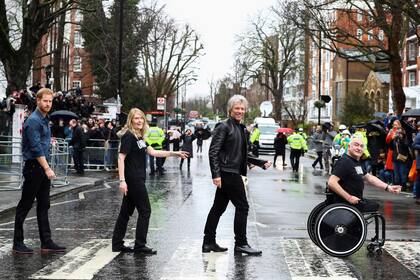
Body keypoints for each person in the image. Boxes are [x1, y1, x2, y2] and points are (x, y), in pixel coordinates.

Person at [112, 108, 188, 254]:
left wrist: (174, 153)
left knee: (125, 213)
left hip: (137, 178)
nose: (139, 121)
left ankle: (117, 244)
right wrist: (122, 181)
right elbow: (121, 158)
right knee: (145, 210)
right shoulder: (129, 136)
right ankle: (140, 245)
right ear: (131, 120)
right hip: (133, 179)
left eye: (141, 118)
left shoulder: (139, 137)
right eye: (136, 118)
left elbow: (153, 152)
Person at [203, 95, 271, 256]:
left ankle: (208, 242)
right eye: (237, 108)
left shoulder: (240, 128)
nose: (240, 111)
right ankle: (241, 243)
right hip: (228, 173)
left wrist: (261, 162)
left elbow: (241, 154)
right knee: (243, 207)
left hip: (232, 172)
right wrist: (216, 175)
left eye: (242, 109)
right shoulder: (224, 126)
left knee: (218, 208)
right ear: (230, 110)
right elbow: (213, 152)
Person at [13, 88, 66, 254]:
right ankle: (17, 243)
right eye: (45, 101)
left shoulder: (44, 119)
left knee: (44, 205)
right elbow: (36, 149)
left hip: (42, 168)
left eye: (50, 101)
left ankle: (47, 241)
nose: (48, 104)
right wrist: (47, 168)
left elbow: (42, 144)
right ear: (38, 101)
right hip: (35, 168)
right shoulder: (34, 121)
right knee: (25, 205)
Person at [328, 136, 401, 213]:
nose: (359, 148)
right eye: (356, 145)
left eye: (361, 146)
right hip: (346, 203)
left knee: (374, 205)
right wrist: (349, 198)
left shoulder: (354, 162)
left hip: (356, 200)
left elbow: (369, 178)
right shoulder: (344, 162)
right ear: (349, 147)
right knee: (373, 206)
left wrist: (388, 187)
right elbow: (331, 182)